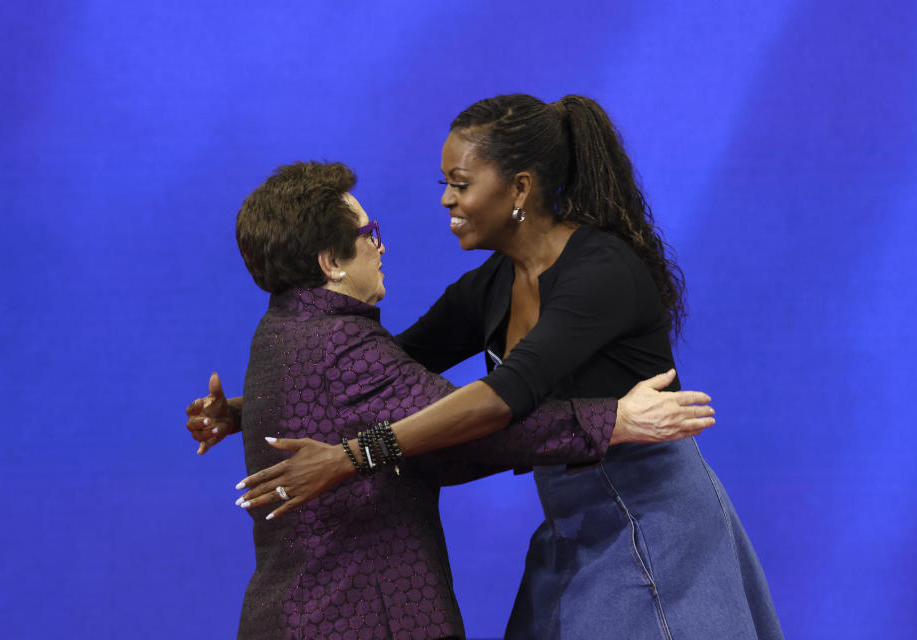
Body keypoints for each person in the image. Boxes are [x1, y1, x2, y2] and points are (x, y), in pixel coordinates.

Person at [197, 94, 783, 639]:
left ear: (520, 189)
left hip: (650, 523)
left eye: (460, 183)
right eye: (445, 184)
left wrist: (357, 455)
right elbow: (382, 378)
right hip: (573, 527)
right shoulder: (492, 284)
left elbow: (505, 397)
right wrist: (252, 411)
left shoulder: (599, 270)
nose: (446, 201)